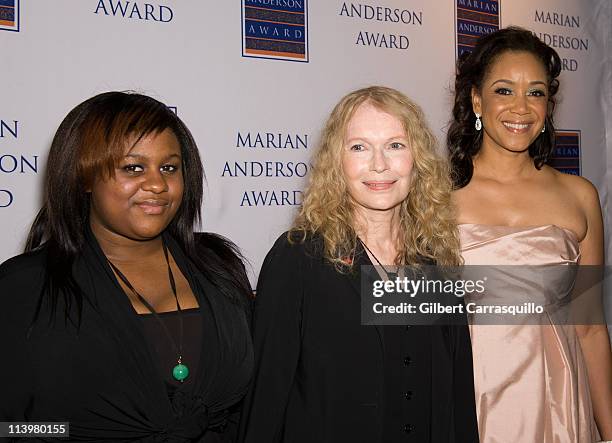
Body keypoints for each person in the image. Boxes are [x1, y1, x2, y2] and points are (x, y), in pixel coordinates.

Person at [0, 92, 253, 441]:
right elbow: (10, 427)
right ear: (84, 177)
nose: (157, 184)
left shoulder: (218, 268)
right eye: (133, 167)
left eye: (169, 167)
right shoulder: (25, 288)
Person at [238, 86, 479, 442]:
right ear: (337, 162)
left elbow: (458, 395)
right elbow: (265, 401)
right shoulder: (298, 259)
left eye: (395, 145)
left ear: (419, 159)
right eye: (359, 147)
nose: (379, 164)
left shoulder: (435, 259)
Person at [448, 27, 612, 442]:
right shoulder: (436, 199)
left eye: (536, 93)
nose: (521, 108)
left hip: (561, 406)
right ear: (476, 99)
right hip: (471, 404)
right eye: (504, 90)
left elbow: (590, 327)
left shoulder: (580, 196)